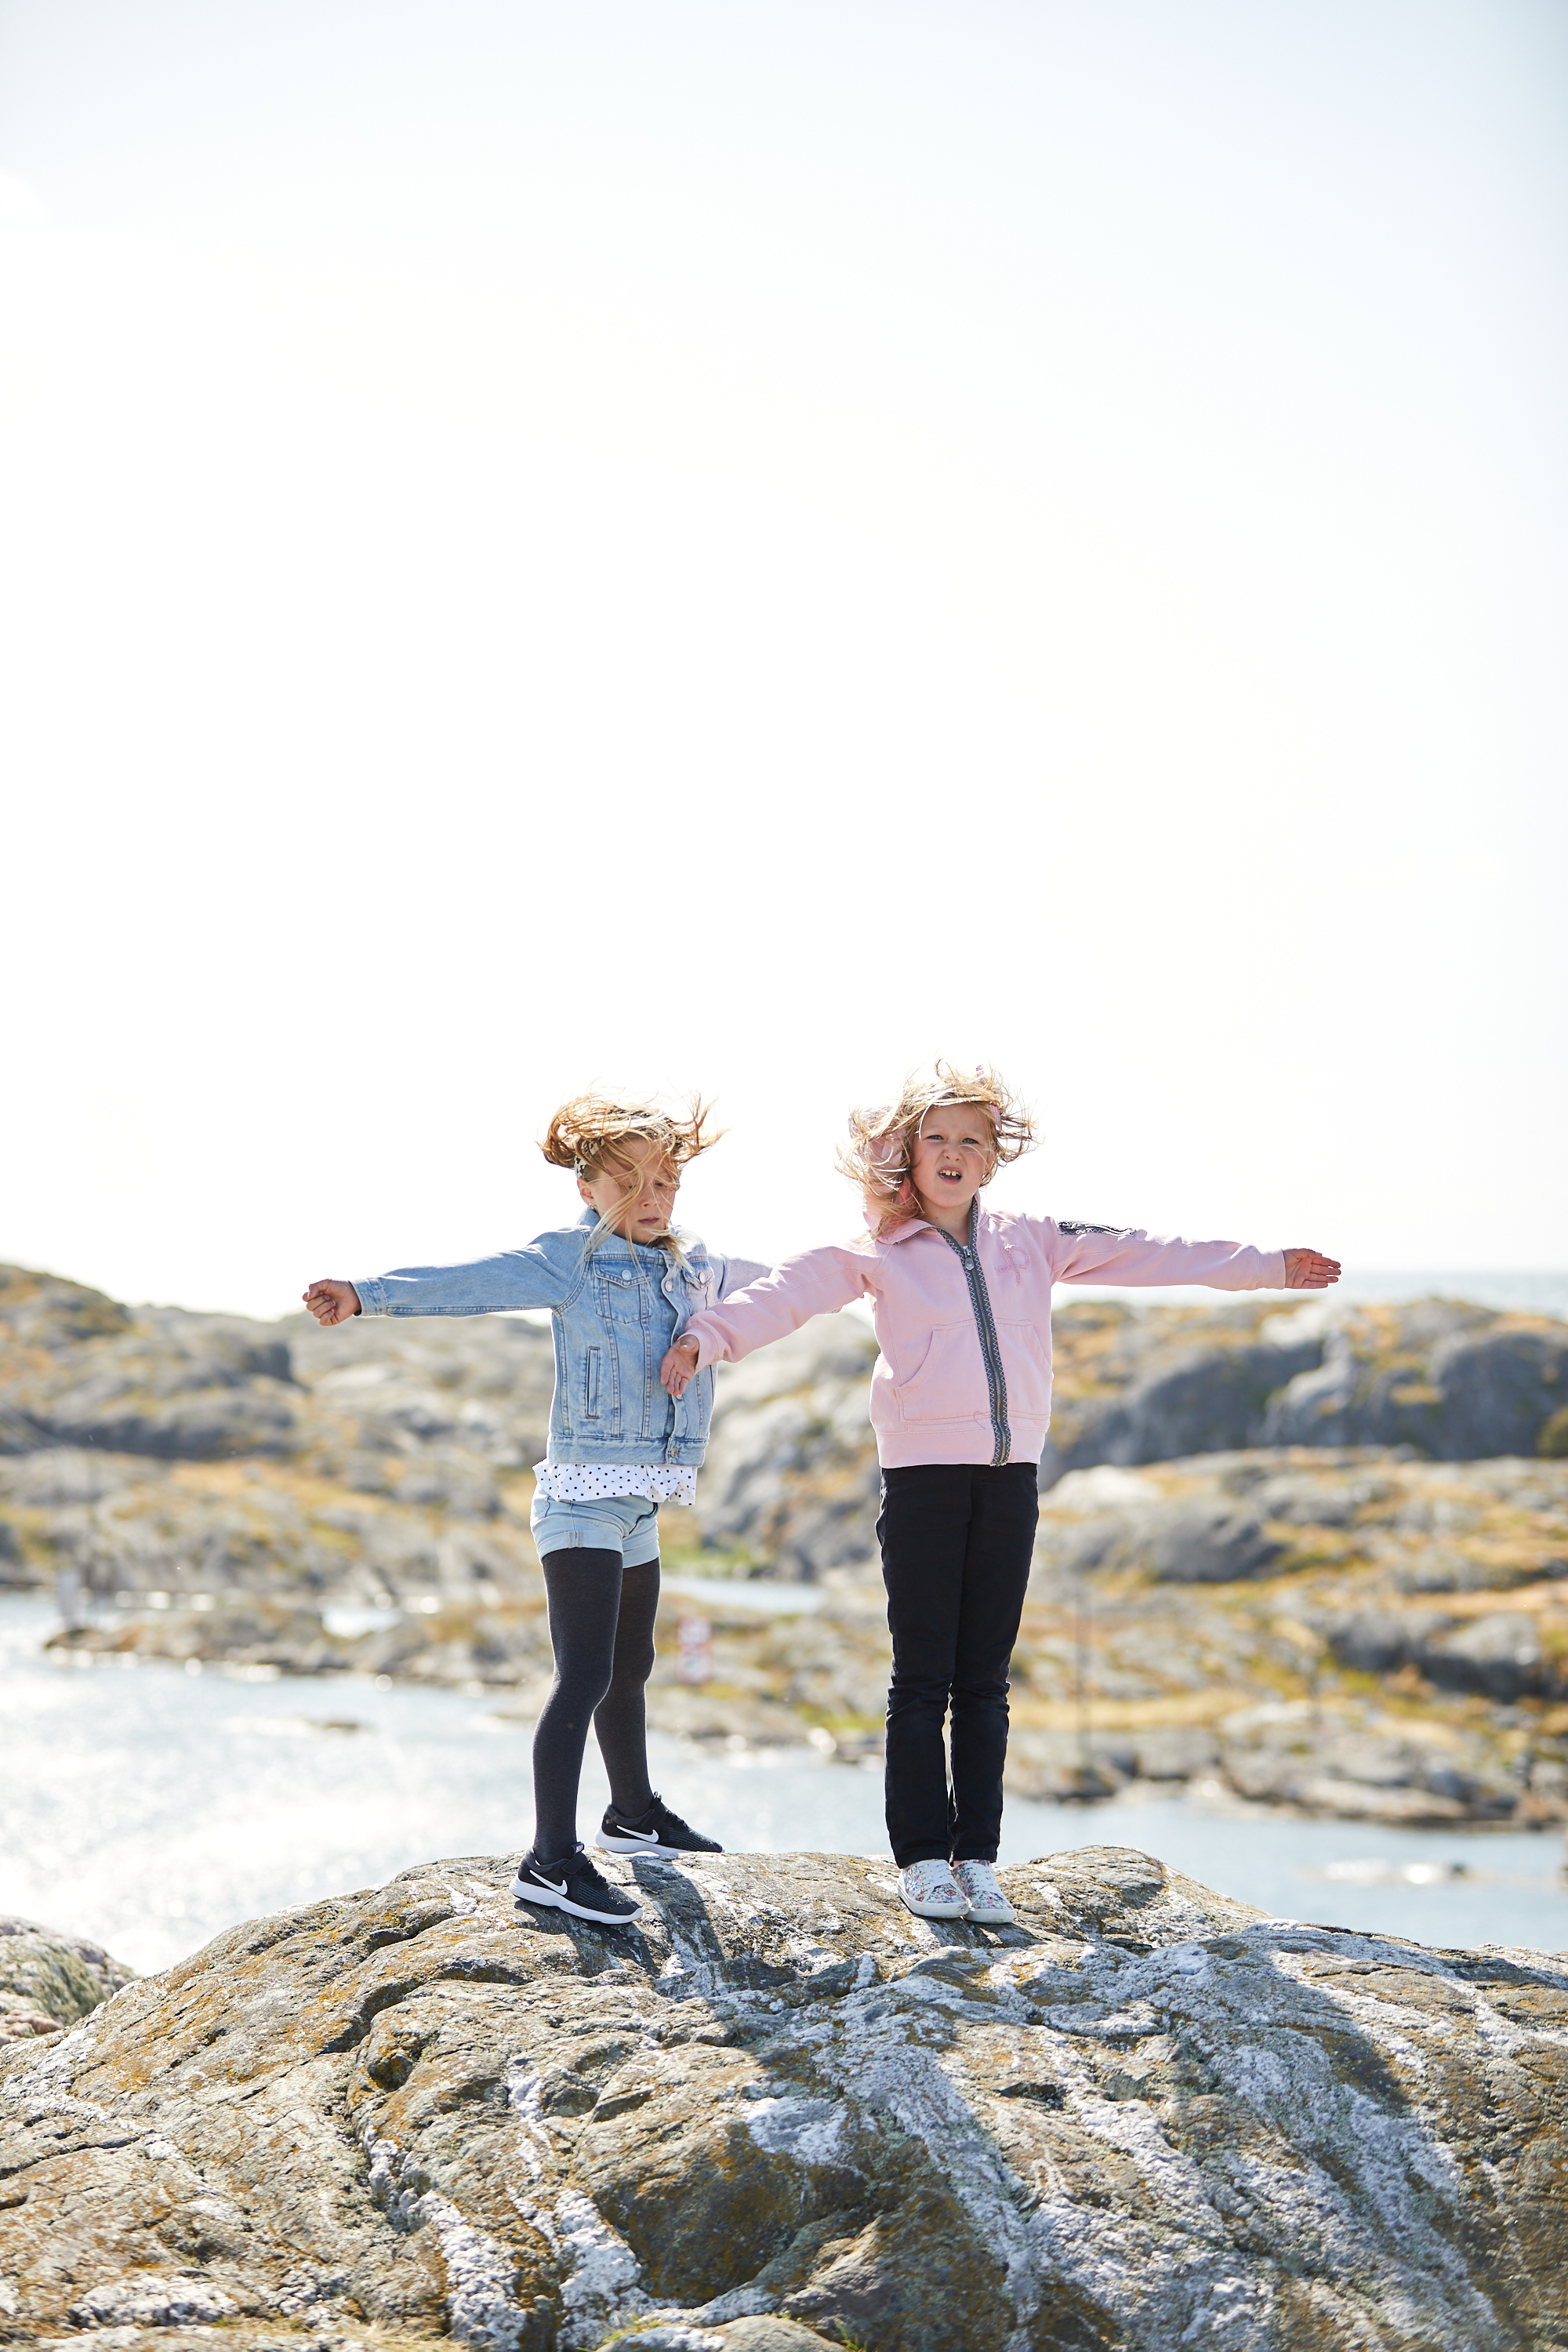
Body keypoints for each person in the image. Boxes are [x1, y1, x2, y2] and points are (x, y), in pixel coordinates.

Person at [661, 1063, 1340, 1926]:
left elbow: (1149, 1251)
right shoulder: (875, 1251)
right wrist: (704, 1340)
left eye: (969, 1141)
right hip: (920, 1483)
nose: (951, 1153)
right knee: (921, 1679)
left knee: (983, 1681)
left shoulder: (1034, 1238)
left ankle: (975, 1859)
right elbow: (783, 1297)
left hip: (1010, 1476)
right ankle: (919, 1860)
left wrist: (1264, 1267)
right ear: (907, 1154)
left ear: (992, 1158)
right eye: (934, 1139)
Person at [303, 1094, 769, 1929]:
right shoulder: (570, 1259)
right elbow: (471, 1282)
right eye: (628, 1180)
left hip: (639, 1504)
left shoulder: (691, 1265)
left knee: (631, 1669)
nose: (651, 1197)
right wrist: (365, 1293)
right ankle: (549, 1860)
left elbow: (790, 1285)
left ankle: (631, 1814)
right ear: (586, 1188)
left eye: (664, 1180)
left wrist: (884, 1260)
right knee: (584, 1675)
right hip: (580, 1501)